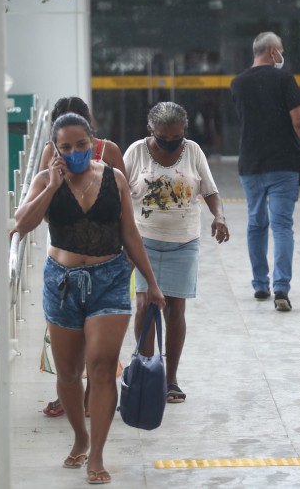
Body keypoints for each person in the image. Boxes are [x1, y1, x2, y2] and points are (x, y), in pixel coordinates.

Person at [15, 113, 165, 484]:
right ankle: (79, 436)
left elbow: (129, 232)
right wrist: (51, 187)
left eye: (81, 144)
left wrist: (151, 281)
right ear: (54, 148)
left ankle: (96, 453)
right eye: (66, 147)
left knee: (100, 367)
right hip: (62, 282)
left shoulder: (114, 178)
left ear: (92, 141)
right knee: (67, 374)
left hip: (110, 279)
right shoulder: (44, 181)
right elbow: (21, 223)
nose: (75, 152)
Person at [123, 101, 229, 404]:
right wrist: (122, 240)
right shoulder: (136, 152)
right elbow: (119, 192)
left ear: (184, 131)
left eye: (176, 137)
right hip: (143, 240)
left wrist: (218, 216)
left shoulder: (193, 151)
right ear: (150, 130)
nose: (170, 143)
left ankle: (170, 378)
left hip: (183, 242)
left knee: (175, 310)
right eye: (162, 137)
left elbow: (209, 190)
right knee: (144, 305)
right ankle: (146, 370)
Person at [39, 97, 126, 419]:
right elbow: (43, 201)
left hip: (107, 263)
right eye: (62, 141)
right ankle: (68, 395)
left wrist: (129, 260)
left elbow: (122, 202)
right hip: (64, 263)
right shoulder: (53, 154)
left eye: (80, 140)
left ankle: (93, 395)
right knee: (66, 343)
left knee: (100, 344)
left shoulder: (110, 152)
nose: (71, 149)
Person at [230, 31, 300, 311]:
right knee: (282, 225)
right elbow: (296, 122)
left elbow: (263, 112)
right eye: (281, 50)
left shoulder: (237, 83)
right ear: (273, 52)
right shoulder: (284, 78)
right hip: (284, 163)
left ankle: (260, 284)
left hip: (251, 163)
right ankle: (281, 289)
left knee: (255, 222)